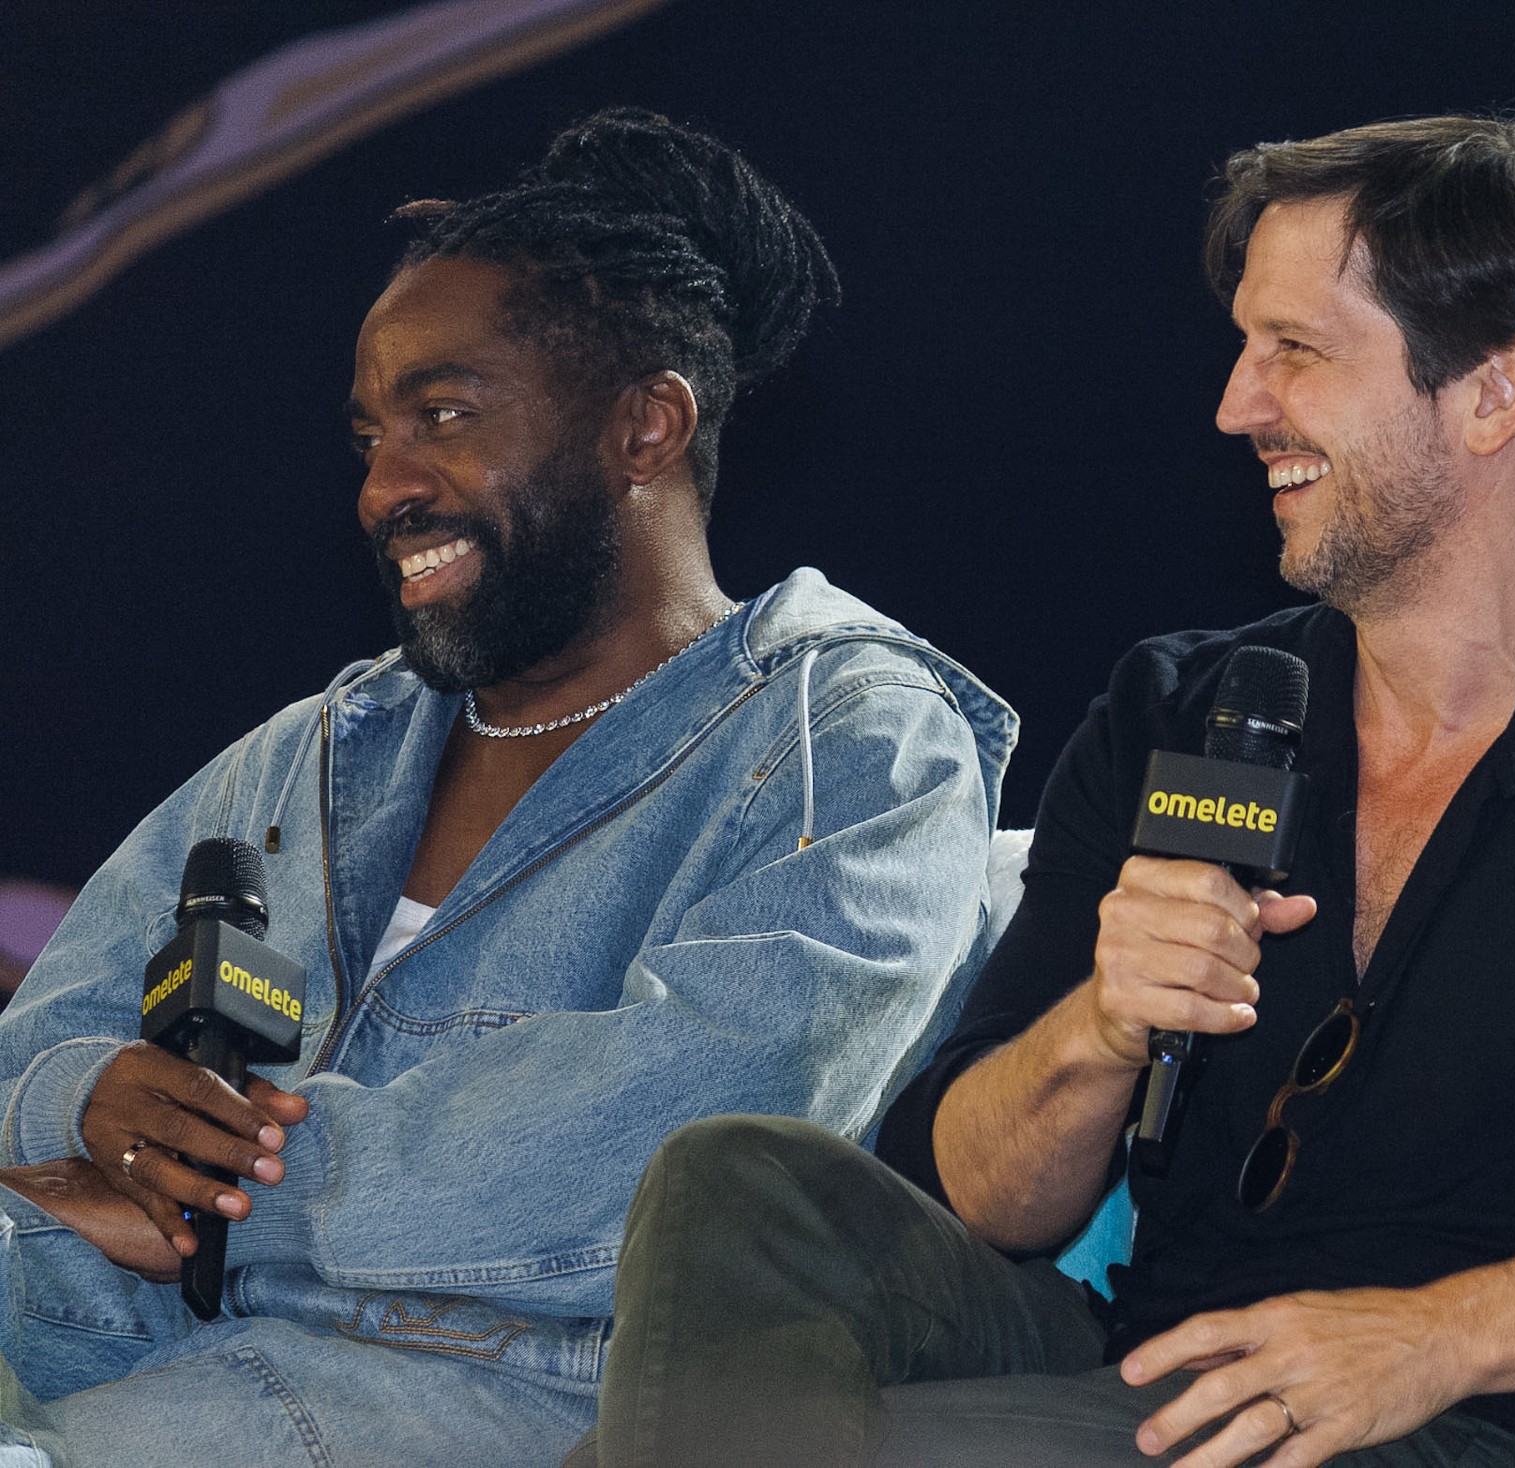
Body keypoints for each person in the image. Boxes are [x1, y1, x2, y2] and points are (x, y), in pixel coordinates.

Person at [579, 115, 1515, 1468]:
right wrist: (1099, 1030)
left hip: (1486, 1425)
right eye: (1243, 346)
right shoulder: (1182, 711)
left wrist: (1444, 1335)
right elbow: (970, 1193)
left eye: (1298, 350)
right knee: (737, 1185)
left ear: (1492, 396)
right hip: (1154, 1373)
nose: (1236, 404)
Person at [0, 108, 1014, 1468]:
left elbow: (688, 1143)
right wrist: (87, 1100)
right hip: (115, 1309)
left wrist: (226, 1202)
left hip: (509, 1387)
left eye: (445, 414)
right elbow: (44, 1033)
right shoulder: (323, 744)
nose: (383, 486)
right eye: (370, 433)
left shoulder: (854, 738)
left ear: (646, 426)